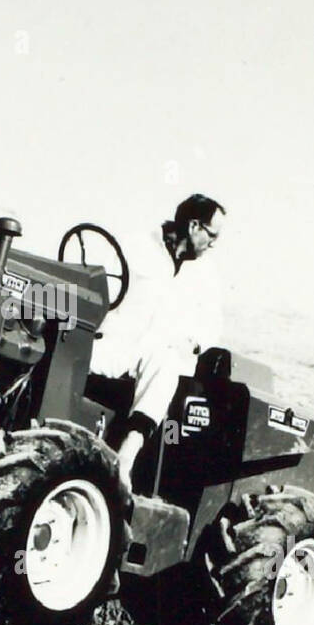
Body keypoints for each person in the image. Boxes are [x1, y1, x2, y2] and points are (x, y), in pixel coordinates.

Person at [90, 192, 226, 485]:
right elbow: (102, 289)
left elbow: (213, 323)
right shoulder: (136, 246)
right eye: (212, 235)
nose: (214, 243)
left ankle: (127, 456)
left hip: (157, 359)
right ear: (194, 227)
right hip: (115, 346)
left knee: (165, 364)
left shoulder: (206, 273)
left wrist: (194, 342)